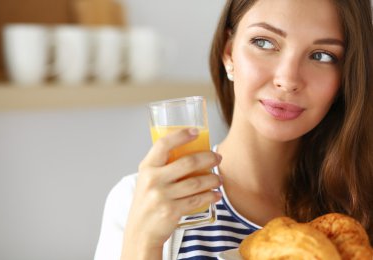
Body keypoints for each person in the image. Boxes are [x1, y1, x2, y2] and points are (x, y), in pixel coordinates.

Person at [95, 0, 373, 259]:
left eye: (322, 56)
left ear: (346, 77)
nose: (288, 79)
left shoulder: (360, 203)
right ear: (228, 53)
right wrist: (143, 243)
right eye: (264, 42)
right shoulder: (142, 200)